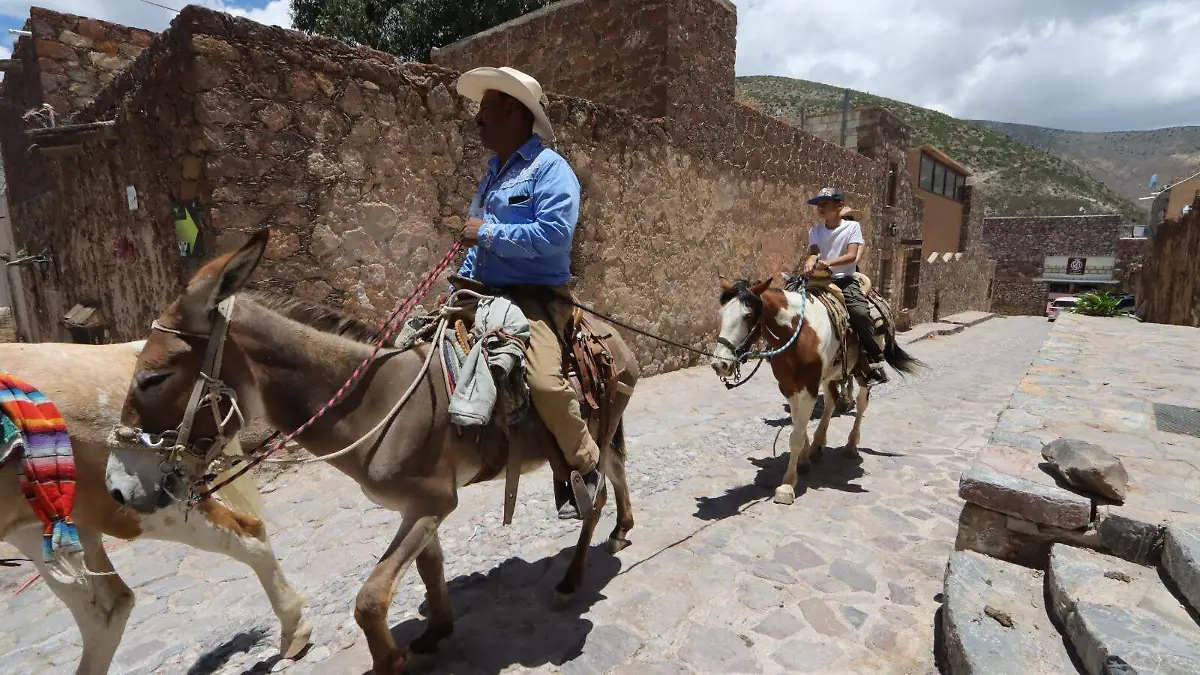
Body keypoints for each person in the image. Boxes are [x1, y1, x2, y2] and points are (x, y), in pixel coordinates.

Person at [452, 66, 601, 520]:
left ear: (514, 111)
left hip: (537, 299)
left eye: (487, 108)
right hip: (485, 293)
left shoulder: (551, 170)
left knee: (542, 382)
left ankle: (585, 465)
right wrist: (459, 283)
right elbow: (475, 245)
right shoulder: (492, 175)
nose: (478, 120)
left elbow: (556, 235)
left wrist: (488, 233)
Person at [801, 187, 888, 386]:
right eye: (818, 204)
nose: (820, 208)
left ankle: (872, 358)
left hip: (844, 280)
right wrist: (810, 260)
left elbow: (851, 255)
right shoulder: (815, 231)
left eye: (825, 204)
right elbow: (814, 251)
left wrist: (829, 262)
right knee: (791, 302)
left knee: (859, 312)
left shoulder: (851, 228)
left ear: (839, 206)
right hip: (819, 280)